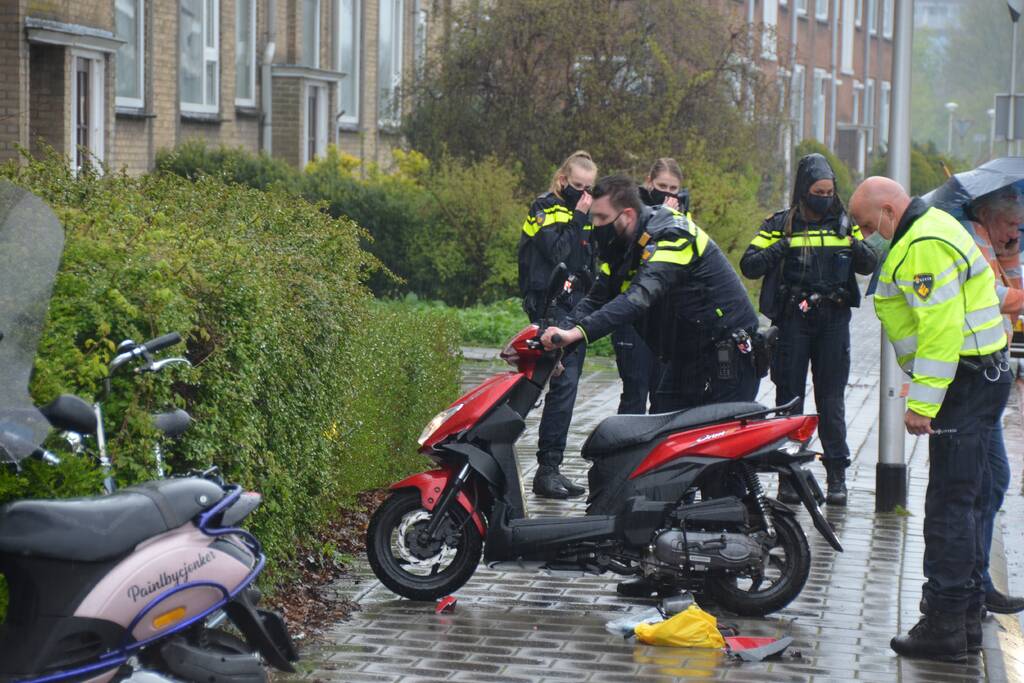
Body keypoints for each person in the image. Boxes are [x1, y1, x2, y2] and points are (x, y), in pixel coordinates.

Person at [849, 176, 1011, 661]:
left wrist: (922, 402)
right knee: (968, 496)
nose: (864, 235)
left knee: (948, 505)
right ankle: (964, 621)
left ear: (887, 212)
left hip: (962, 383)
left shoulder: (922, 244)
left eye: (865, 225)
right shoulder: (936, 226)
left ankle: (944, 623)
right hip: (980, 377)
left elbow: (939, 326)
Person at [740, 154, 877, 506]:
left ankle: (836, 475)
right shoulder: (779, 224)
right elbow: (750, 264)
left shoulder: (845, 223)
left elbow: (869, 262)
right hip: (793, 320)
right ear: (804, 190)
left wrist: (854, 242)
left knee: (831, 401)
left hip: (833, 321)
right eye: (818, 191)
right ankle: (790, 477)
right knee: (790, 400)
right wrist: (781, 246)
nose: (825, 197)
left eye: (830, 191)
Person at [517, 150, 597, 499]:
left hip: (576, 306)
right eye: (577, 185)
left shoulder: (585, 213)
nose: (583, 193)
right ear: (563, 180)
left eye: (589, 188)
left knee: (565, 390)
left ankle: (551, 468)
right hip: (550, 306)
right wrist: (580, 218)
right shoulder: (544, 207)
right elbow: (559, 254)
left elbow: (588, 260)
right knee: (547, 387)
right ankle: (542, 469)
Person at [964, 189, 1024, 615]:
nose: (1015, 232)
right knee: (988, 480)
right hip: (974, 378)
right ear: (989, 215)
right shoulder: (973, 242)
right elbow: (1001, 301)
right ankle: (974, 582)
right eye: (1012, 224)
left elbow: (1014, 299)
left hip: (990, 375)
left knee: (993, 480)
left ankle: (977, 579)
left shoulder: (994, 244)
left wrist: (1012, 255)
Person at [612, 158, 687, 414]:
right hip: (632, 313)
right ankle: (624, 451)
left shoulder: (683, 217)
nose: (666, 193)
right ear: (649, 182)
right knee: (635, 390)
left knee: (663, 394)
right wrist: (661, 218)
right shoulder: (632, 210)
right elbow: (628, 254)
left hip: (666, 315)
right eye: (661, 185)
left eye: (673, 188)